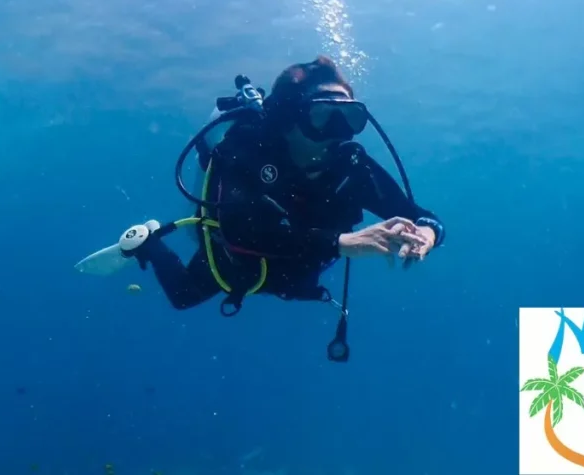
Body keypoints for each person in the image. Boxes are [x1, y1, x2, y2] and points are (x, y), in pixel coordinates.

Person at [122, 56, 445, 328]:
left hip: (298, 267)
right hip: (238, 257)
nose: (338, 131)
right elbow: (239, 233)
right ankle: (148, 242)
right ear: (290, 117)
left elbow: (420, 215)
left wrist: (427, 234)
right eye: (323, 116)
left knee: (295, 284)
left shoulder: (352, 165)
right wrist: (340, 242)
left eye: (349, 117)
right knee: (183, 296)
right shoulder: (248, 149)